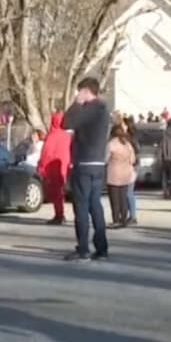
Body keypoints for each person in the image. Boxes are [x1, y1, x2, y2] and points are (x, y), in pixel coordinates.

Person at [62, 77, 112, 261]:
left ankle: (83, 248)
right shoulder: (104, 109)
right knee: (95, 205)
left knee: (81, 206)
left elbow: (66, 123)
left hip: (84, 163)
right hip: (98, 163)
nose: (78, 94)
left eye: (79, 91)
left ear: (86, 91)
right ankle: (102, 247)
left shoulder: (90, 108)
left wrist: (76, 103)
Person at [39, 111, 73, 225]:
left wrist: (42, 167)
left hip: (53, 167)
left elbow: (46, 153)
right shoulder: (67, 136)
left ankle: (59, 215)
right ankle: (60, 213)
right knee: (60, 191)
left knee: (56, 192)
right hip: (64, 166)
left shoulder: (52, 136)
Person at [107, 124, 136, 228]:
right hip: (125, 174)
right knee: (123, 198)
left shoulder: (111, 144)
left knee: (114, 199)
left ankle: (116, 220)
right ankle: (124, 219)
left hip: (113, 174)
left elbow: (105, 158)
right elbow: (133, 160)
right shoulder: (127, 144)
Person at [122, 117, 139, 226]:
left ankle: (132, 216)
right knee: (128, 191)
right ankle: (131, 215)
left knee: (128, 191)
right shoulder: (132, 137)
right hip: (132, 165)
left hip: (130, 166)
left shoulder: (128, 138)